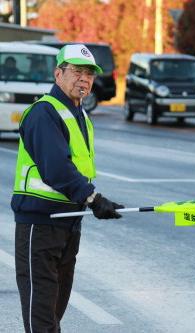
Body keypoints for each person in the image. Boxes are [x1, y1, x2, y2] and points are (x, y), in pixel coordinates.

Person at [11, 44, 124, 333]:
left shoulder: (80, 114)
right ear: (58, 73)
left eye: (89, 74)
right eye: (76, 72)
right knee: (42, 317)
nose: (84, 79)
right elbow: (56, 168)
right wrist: (93, 197)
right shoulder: (43, 113)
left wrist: (92, 201)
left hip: (68, 224)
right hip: (40, 224)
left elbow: (78, 167)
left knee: (54, 313)